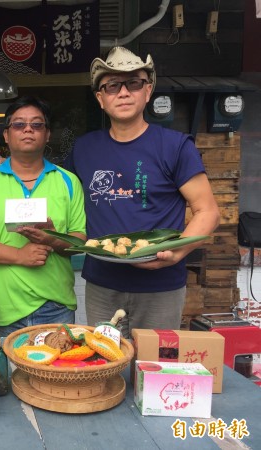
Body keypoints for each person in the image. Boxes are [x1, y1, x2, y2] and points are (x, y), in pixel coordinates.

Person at [63, 46, 220, 337]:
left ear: (147, 92)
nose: (123, 92)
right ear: (101, 98)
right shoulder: (84, 148)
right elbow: (55, 186)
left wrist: (178, 251)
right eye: (112, 86)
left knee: (154, 367)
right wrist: (6, 165)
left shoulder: (175, 146)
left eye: (133, 83)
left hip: (160, 285)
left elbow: (207, 210)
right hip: (102, 282)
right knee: (104, 365)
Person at [0, 96, 86, 336]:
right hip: (3, 308)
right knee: (4, 375)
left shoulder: (68, 181)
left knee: (58, 374)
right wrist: (18, 255)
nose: (28, 129)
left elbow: (79, 242)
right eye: (18, 124)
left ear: (47, 134)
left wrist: (51, 238)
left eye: (37, 125)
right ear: (6, 135)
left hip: (56, 308)